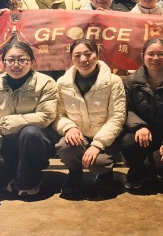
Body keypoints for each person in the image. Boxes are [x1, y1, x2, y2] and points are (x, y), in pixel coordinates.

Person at [0, 40, 58, 197]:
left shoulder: (46, 83)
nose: (16, 65)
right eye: (11, 60)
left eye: (22, 60)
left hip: (35, 142)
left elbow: (45, 116)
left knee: (30, 132)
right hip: (6, 142)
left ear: (32, 62)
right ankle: (10, 176)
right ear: (3, 63)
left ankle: (29, 182)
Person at [54, 39, 126, 196]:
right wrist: (69, 128)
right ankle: (74, 173)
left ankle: (105, 173)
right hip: (80, 136)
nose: (83, 59)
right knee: (65, 147)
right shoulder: (62, 83)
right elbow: (58, 114)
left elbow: (117, 117)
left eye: (88, 54)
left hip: (106, 138)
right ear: (72, 58)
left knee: (99, 163)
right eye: (77, 55)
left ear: (97, 55)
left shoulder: (113, 81)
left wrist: (98, 144)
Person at [121, 39, 163, 189]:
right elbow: (126, 109)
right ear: (143, 56)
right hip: (141, 134)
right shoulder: (131, 81)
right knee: (127, 142)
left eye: (160, 54)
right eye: (150, 54)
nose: (155, 58)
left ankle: (155, 166)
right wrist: (140, 126)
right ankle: (137, 171)